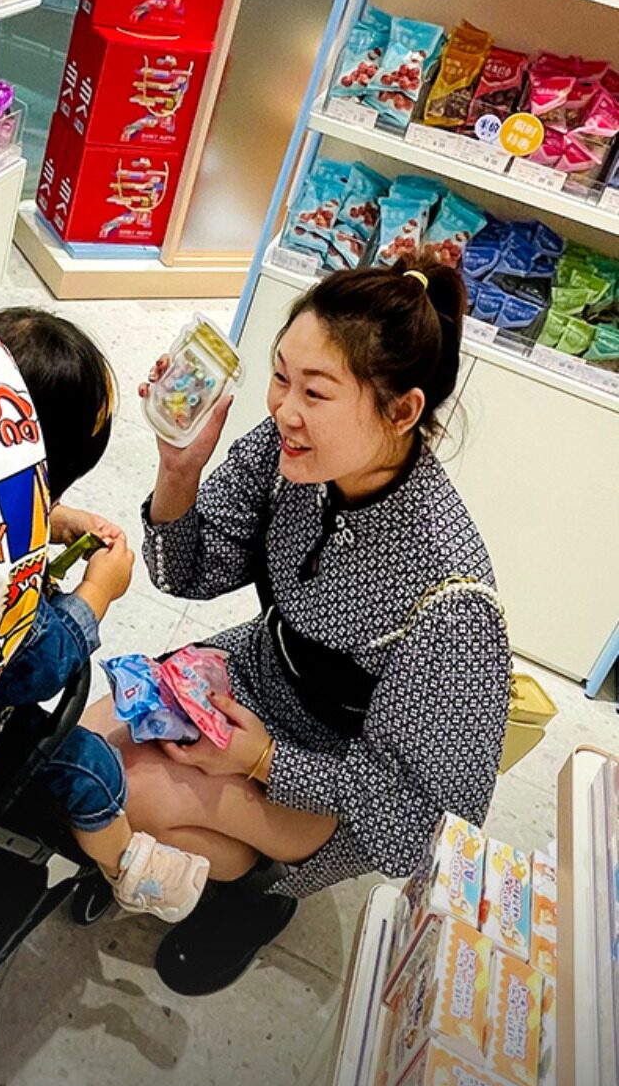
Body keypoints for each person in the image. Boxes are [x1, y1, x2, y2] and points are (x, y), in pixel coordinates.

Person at [85, 258, 511, 994]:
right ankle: (144, 850)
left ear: (402, 412)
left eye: (315, 392)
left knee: (129, 790)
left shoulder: (453, 598)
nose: (284, 409)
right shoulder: (289, 451)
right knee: (94, 745)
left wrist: (261, 761)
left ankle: (252, 897)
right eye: (281, 377)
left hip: (330, 768)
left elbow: (423, 821)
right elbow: (191, 573)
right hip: (253, 670)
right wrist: (179, 470)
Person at [0, 307, 211, 922]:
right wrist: (96, 594)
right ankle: (128, 868)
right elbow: (30, 667)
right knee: (91, 764)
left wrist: (49, 519)